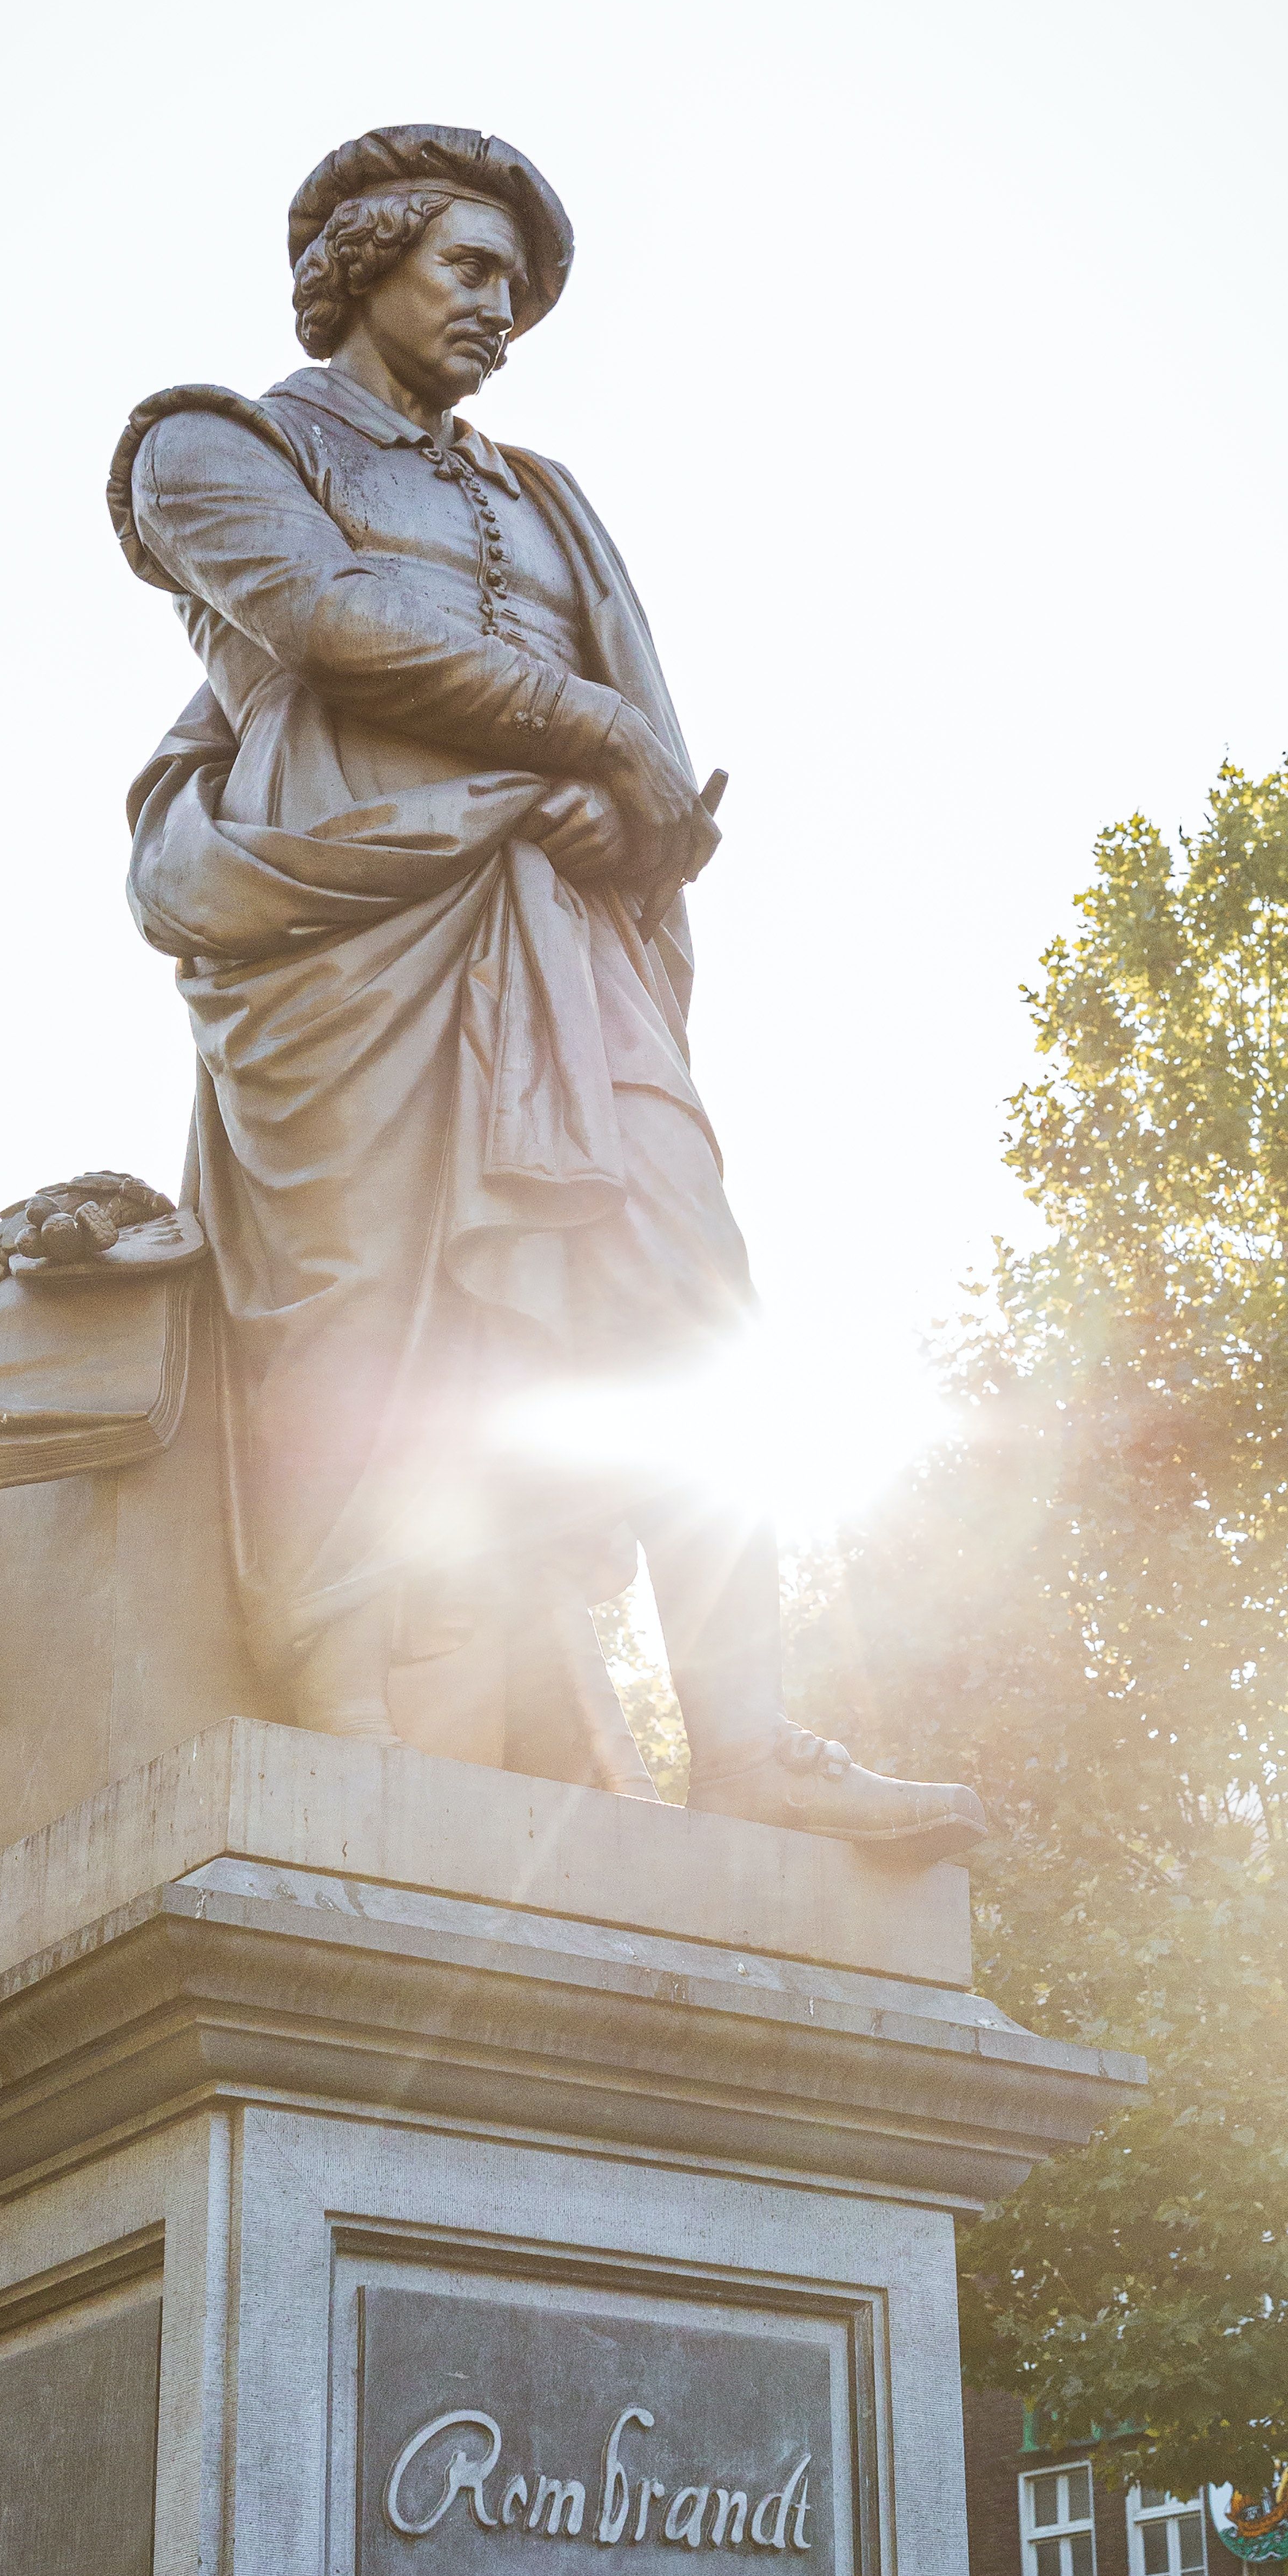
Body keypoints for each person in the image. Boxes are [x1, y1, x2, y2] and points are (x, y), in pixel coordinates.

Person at [108, 122, 982, 1857]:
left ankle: (742, 1740)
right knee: (357, 1312)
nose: (501, 313)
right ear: (364, 263)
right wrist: (585, 737)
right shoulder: (213, 448)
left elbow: (647, 759)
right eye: (470, 271)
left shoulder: (545, 496)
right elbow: (327, 618)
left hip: (564, 941)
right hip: (341, 933)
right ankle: (340, 1717)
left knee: (692, 1291)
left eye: (520, 289)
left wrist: (616, 809)